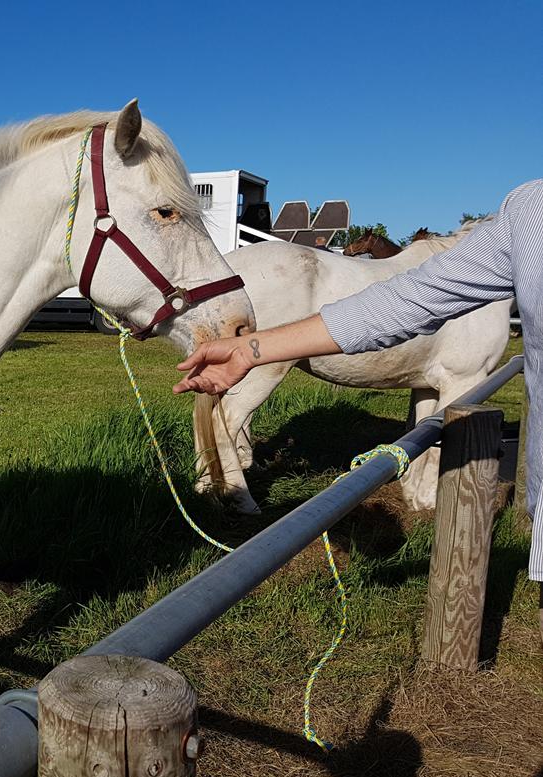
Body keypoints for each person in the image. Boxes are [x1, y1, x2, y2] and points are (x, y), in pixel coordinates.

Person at [173, 178, 542, 580]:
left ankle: (419, 488)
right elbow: (419, 325)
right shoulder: (525, 216)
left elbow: (415, 327)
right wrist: (251, 350)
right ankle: (424, 492)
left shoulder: (523, 211)